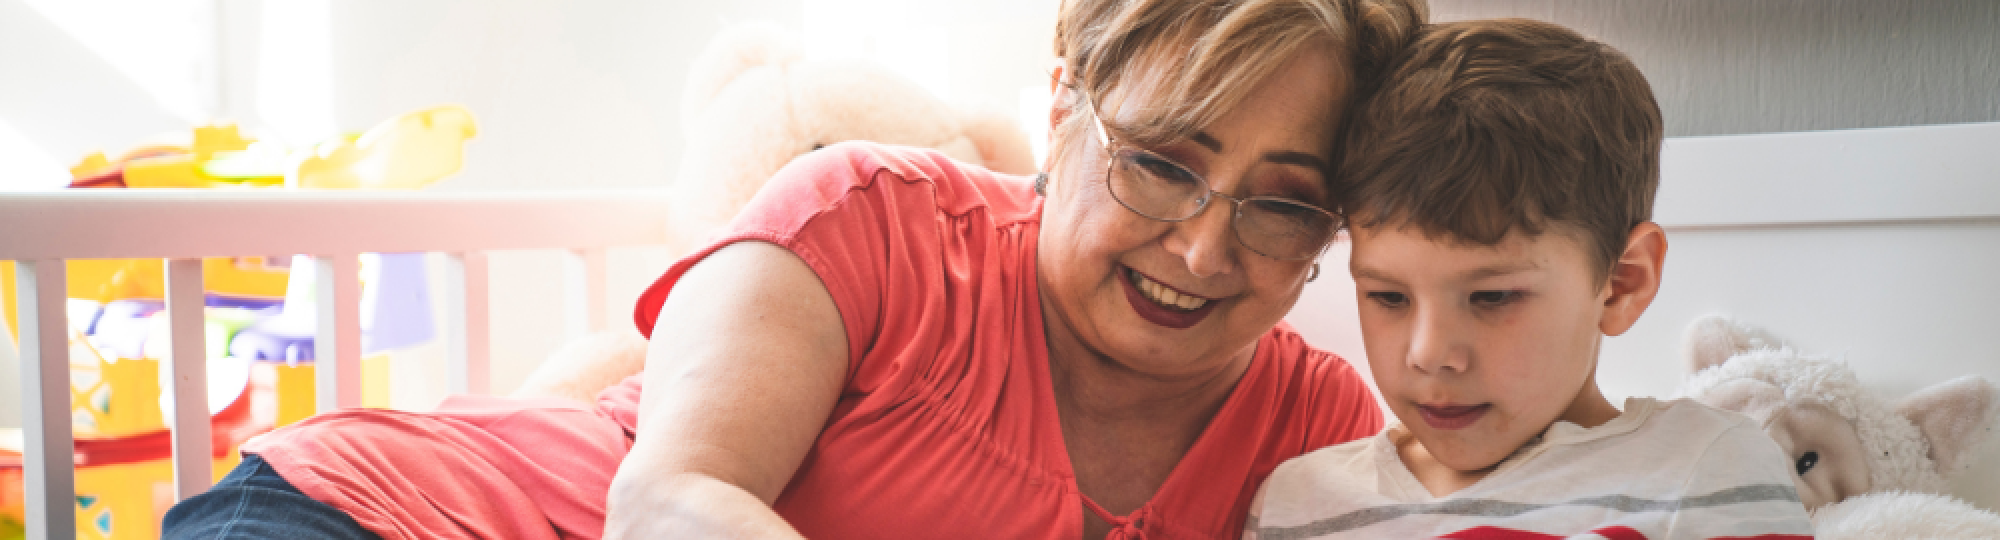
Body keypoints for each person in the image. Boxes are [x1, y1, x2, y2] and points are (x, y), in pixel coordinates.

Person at [162, 0, 1426, 538]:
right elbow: (668, 502)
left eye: (1281, 207)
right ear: (1062, 106)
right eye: (1159, 163)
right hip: (388, 517)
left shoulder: (1309, 426)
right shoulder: (873, 212)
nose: (1203, 249)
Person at [1246, 19, 1816, 539]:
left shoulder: (1703, 467)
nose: (1429, 354)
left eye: (1492, 296)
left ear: (1621, 283)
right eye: (1388, 296)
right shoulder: (1298, 504)